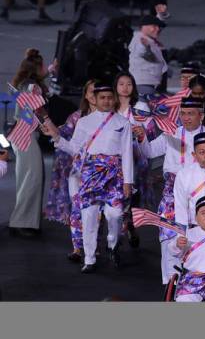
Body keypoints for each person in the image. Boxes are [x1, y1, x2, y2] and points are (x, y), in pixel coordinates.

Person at [42, 86, 134, 273]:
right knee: (89, 216)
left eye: (110, 97)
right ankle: (90, 258)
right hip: (90, 174)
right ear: (96, 99)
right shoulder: (84, 122)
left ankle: (112, 244)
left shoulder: (123, 123)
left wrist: (128, 181)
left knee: (115, 214)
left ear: (114, 99)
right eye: (102, 97)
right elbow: (75, 148)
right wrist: (57, 138)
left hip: (114, 176)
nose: (106, 101)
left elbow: (127, 153)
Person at [139, 96, 205, 284]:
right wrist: (142, 136)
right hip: (171, 194)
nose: (186, 117)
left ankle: (196, 282)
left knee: (198, 239)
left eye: (191, 114)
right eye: (183, 114)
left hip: (201, 194)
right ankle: (169, 284)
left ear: (201, 115)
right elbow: (149, 152)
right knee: (169, 238)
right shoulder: (170, 133)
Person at [44, 80, 96, 262]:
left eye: (98, 91)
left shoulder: (109, 118)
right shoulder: (77, 117)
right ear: (86, 95)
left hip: (100, 173)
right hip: (78, 171)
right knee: (77, 209)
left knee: (95, 213)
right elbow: (63, 134)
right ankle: (77, 248)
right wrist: (49, 126)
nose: (94, 95)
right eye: (91, 91)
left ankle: (92, 246)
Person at [113, 72, 159, 247]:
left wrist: (140, 132)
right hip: (115, 159)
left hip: (136, 157)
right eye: (121, 84)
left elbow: (150, 130)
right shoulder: (111, 106)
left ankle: (130, 226)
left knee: (133, 196)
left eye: (129, 84)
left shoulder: (140, 106)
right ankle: (117, 232)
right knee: (117, 196)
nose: (125, 87)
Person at [9, 48, 48, 238]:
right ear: (38, 68)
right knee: (32, 178)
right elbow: (39, 111)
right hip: (26, 134)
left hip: (19, 133)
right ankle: (21, 222)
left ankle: (23, 220)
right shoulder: (33, 87)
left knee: (26, 177)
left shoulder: (25, 84)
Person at [128, 15, 168, 96]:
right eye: (154, 26)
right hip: (143, 85)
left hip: (149, 84)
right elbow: (142, 51)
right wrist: (147, 49)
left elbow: (158, 62)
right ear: (143, 27)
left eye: (158, 26)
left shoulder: (149, 40)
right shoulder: (140, 40)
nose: (158, 29)